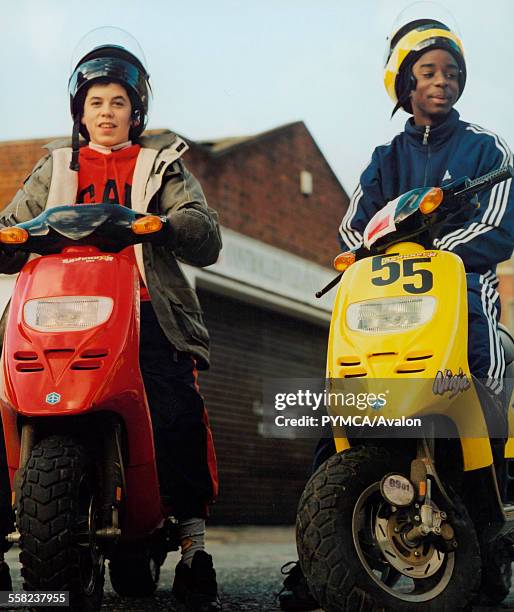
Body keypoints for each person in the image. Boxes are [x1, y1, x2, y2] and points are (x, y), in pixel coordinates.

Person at [278, 14, 513, 611]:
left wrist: (434, 252)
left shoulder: (486, 148)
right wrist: (386, 246)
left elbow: (497, 226)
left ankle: (492, 539)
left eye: (452, 72)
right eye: (428, 71)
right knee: (342, 407)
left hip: (463, 302)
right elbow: (354, 227)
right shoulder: (385, 158)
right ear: (402, 82)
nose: (442, 81)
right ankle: (321, 550)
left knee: (477, 402)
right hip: (388, 306)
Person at [0, 28, 222, 612]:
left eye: (118, 102)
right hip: (55, 309)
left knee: (175, 399)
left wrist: (176, 225)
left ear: (136, 109)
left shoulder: (161, 163)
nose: (106, 113)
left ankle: (194, 546)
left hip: (146, 311)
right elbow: (13, 225)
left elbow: (202, 228)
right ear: (80, 110)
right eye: (95, 102)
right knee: (3, 398)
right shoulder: (54, 166)